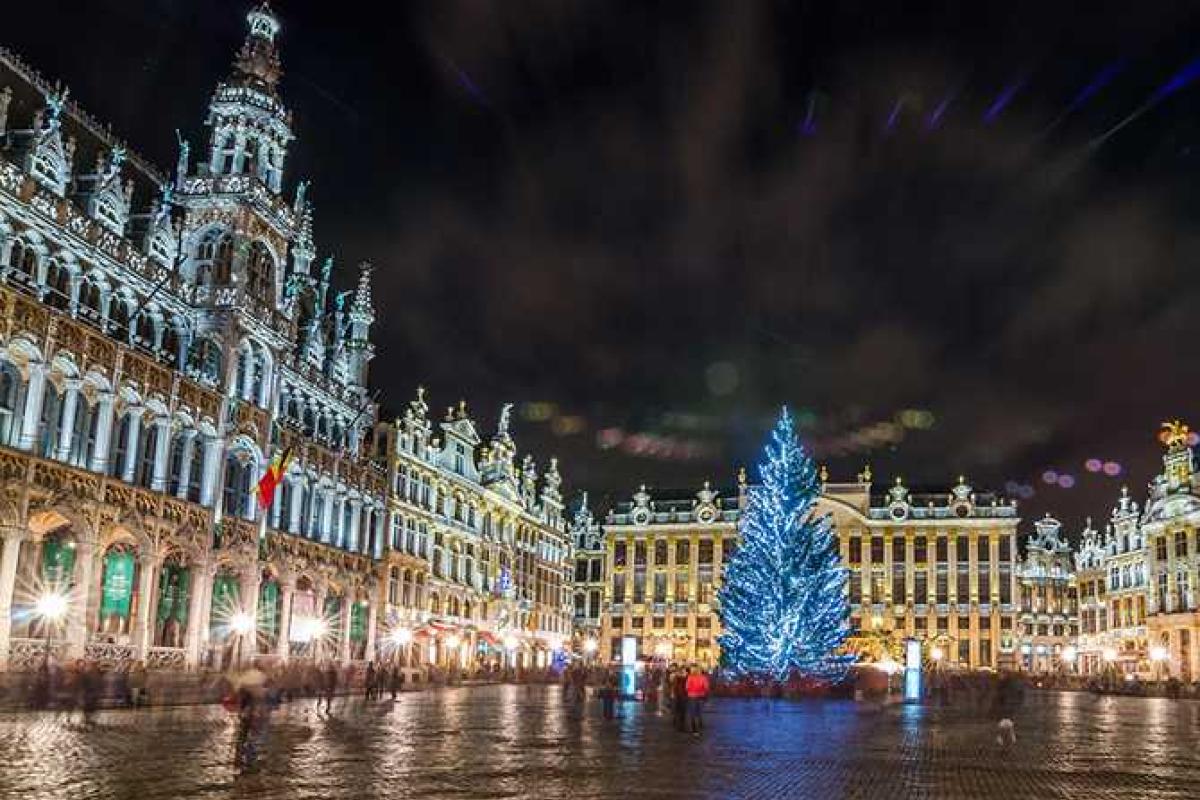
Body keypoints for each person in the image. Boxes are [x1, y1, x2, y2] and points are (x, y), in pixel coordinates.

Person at [685, 665, 710, 736]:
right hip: (700, 696)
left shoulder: (690, 677)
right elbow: (706, 687)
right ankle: (698, 727)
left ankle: (695, 729)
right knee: (699, 712)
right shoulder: (703, 678)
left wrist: (692, 690)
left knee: (693, 713)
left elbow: (687, 687)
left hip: (692, 696)